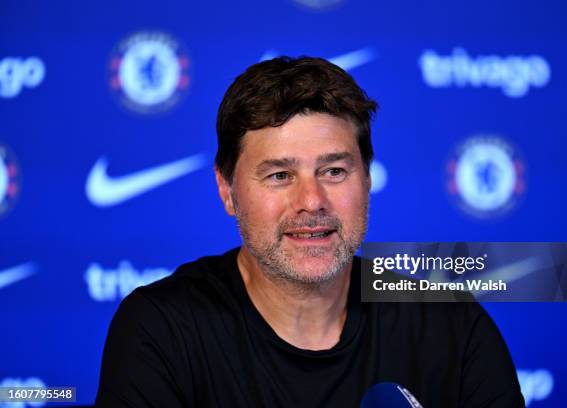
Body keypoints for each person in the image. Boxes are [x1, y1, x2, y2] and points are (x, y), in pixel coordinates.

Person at [95, 56, 525, 407]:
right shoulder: (162, 330)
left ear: (368, 181)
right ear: (227, 190)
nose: (312, 201)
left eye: (334, 171)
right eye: (280, 175)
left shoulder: (451, 326)